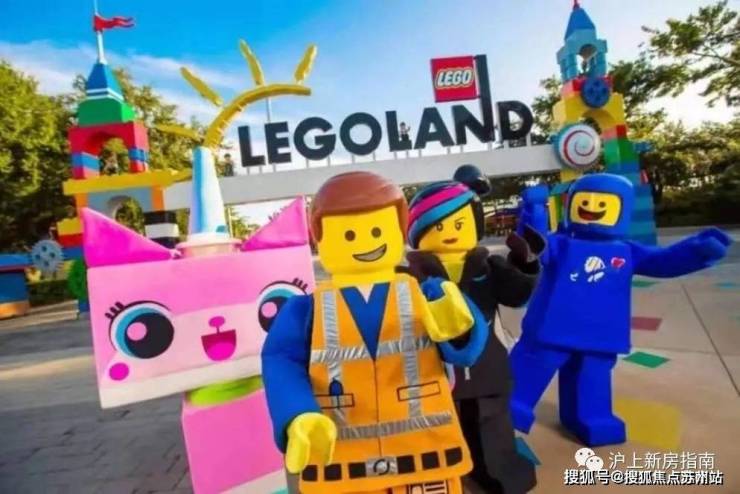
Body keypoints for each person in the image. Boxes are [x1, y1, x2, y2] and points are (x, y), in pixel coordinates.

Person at [262, 171, 489, 494]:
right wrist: (297, 413)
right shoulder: (305, 311)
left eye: (377, 230)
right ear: (320, 239)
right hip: (343, 463)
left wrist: (459, 332)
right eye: (349, 235)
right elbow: (281, 362)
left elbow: (465, 349)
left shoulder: (428, 293)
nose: (366, 242)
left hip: (425, 454)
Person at [511, 173, 731, 446]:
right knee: (534, 363)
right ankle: (512, 402)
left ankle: (591, 416)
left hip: (600, 333)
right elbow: (533, 247)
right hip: (552, 326)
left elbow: (663, 262)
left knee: (592, 374)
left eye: (603, 202)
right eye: (585, 201)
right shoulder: (561, 244)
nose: (592, 207)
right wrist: (533, 211)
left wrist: (698, 251)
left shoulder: (627, 251)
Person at [405, 173, 543, 494]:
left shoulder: (488, 267)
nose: (450, 233)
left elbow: (516, 295)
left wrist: (524, 265)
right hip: (435, 371)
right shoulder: (409, 276)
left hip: (487, 367)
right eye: (438, 227)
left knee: (491, 425)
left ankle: (498, 473)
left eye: (458, 224)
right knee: (439, 428)